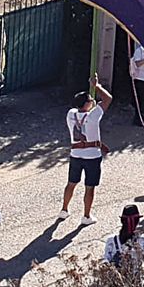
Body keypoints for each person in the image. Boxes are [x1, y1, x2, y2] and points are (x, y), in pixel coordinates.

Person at [59, 75, 112, 225]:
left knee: (71, 182)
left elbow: (79, 108)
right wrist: (97, 86)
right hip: (92, 156)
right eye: (90, 100)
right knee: (90, 187)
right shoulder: (93, 115)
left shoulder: (71, 114)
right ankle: (86, 216)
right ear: (87, 104)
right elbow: (108, 99)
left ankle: (64, 209)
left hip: (75, 154)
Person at [103, 205, 144, 273]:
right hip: (138, 281)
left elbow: (105, 261)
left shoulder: (111, 241)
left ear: (122, 221)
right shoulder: (142, 241)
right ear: (137, 221)